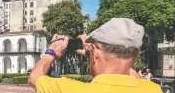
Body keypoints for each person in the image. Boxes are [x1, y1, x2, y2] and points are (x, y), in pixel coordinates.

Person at [28, 18, 162, 93]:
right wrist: (92, 51)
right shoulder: (153, 89)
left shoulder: (75, 90)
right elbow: (131, 73)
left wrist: (51, 51)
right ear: (136, 56)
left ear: (96, 53)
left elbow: (35, 78)